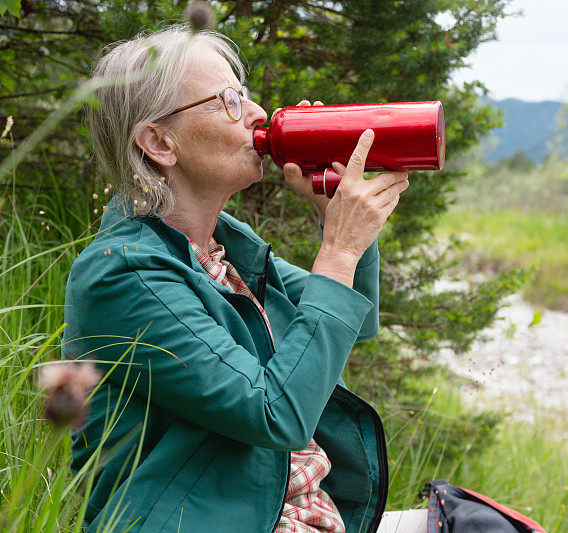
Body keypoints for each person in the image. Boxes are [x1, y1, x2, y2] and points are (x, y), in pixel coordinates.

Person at [61, 24, 420, 532]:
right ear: (160, 143)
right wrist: (337, 249)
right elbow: (274, 414)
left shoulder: (224, 250)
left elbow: (353, 321)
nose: (257, 113)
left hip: (294, 513)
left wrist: (338, 217)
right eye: (228, 100)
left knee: (486, 523)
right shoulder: (122, 275)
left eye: (246, 94)